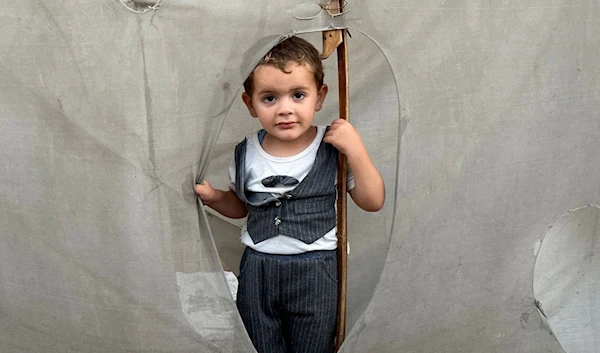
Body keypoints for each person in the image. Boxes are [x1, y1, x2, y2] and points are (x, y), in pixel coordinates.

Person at [195, 36, 384, 353]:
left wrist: (357, 151)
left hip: (316, 270)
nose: (285, 109)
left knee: (313, 345)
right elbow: (242, 207)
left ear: (319, 97)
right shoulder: (246, 152)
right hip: (258, 269)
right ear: (250, 103)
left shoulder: (334, 146)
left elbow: (372, 201)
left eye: (298, 95)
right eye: (269, 98)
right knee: (259, 343)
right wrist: (214, 196)